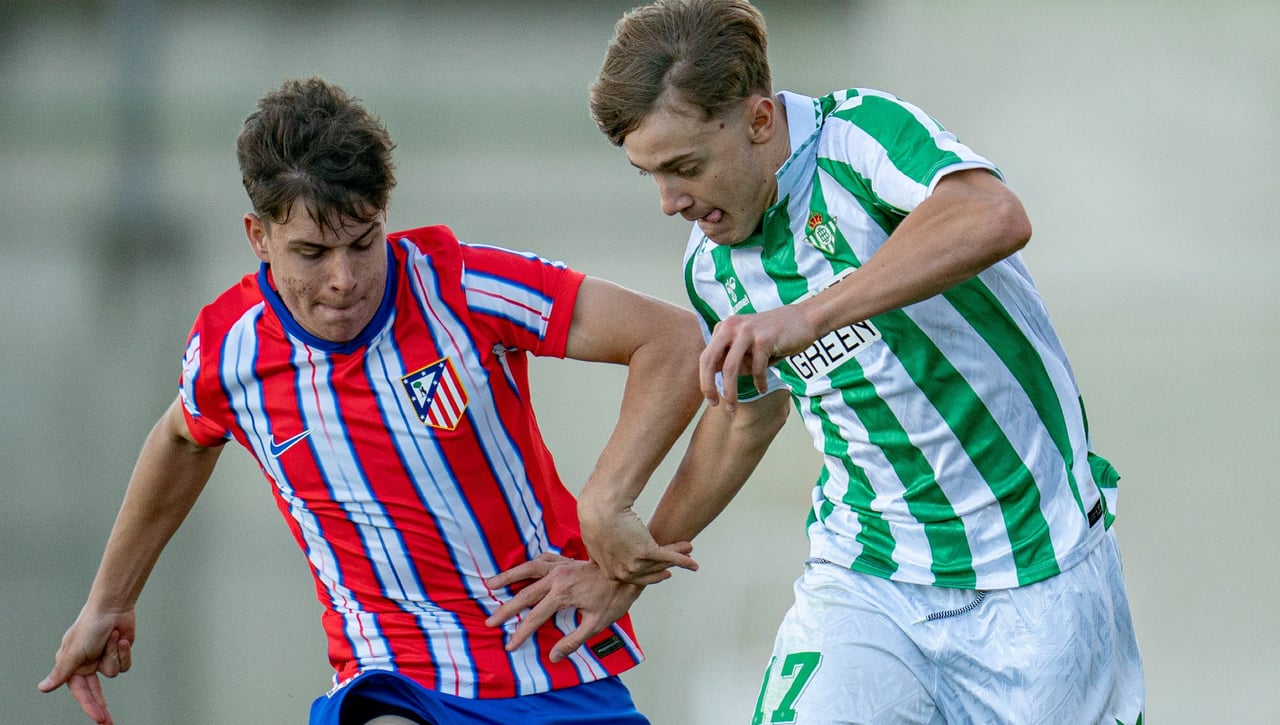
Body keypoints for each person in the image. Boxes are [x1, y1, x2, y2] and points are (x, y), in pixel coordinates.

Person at [37, 76, 705, 725]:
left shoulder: (463, 286)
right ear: (258, 237)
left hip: (551, 657)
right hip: (391, 674)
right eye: (311, 252)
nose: (344, 278)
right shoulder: (230, 351)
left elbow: (673, 341)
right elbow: (182, 437)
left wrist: (604, 511)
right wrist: (109, 601)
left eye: (363, 243)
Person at [575, 1, 1146, 722]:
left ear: (759, 120)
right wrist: (630, 566)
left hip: (1038, 567)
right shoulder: (711, 267)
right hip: (866, 574)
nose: (668, 201)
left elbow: (992, 215)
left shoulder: (856, 137)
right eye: (650, 175)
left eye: (685, 167)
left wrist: (810, 313)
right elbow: (745, 419)